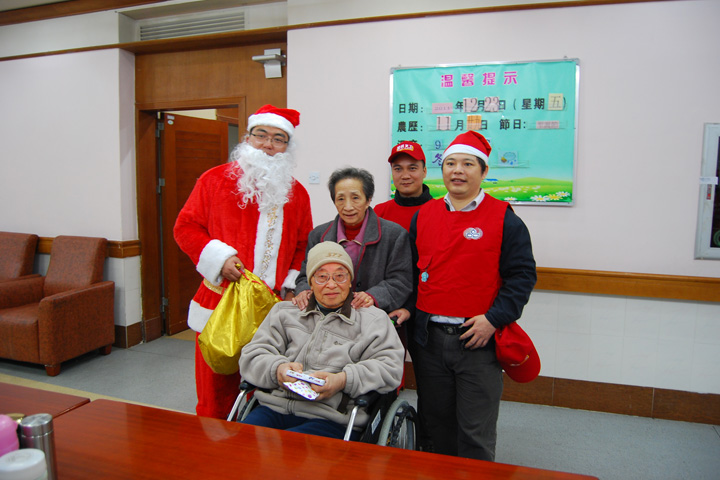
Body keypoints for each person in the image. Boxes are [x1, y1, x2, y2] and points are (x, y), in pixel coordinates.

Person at [174, 104, 313, 419]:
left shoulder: (298, 194)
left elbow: (303, 245)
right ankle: (215, 455)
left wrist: (291, 283)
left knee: (266, 389)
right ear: (247, 138)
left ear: (287, 147)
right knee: (216, 391)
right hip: (219, 303)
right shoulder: (213, 181)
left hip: (271, 308)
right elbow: (185, 228)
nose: (268, 144)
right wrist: (218, 258)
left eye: (278, 139)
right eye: (261, 135)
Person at [409, 130, 537, 461]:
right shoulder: (424, 215)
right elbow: (410, 273)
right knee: (436, 426)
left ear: (482, 172)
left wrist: (493, 319)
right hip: (429, 339)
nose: (457, 170)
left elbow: (522, 277)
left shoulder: (505, 219)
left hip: (477, 341)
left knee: (475, 431)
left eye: (467, 163)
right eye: (450, 163)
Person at [239, 241, 404, 439]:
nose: (331, 284)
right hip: (275, 407)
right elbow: (252, 355)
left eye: (340, 276)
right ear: (310, 281)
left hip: (332, 417)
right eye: (322, 277)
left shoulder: (373, 320)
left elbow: (390, 368)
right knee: (242, 446)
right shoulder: (284, 312)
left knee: (290, 452)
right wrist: (278, 369)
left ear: (350, 280)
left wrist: (343, 380)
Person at [292, 167, 412, 321]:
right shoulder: (318, 235)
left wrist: (373, 296)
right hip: (327, 319)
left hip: (373, 318)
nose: (348, 207)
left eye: (355, 198)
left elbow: (401, 281)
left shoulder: (394, 235)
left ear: (368, 199)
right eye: (340, 199)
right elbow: (304, 277)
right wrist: (304, 291)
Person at [374, 140, 434, 231]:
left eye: (412, 168)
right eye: (398, 169)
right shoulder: (379, 213)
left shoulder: (441, 211)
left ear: (424, 171)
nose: (405, 176)